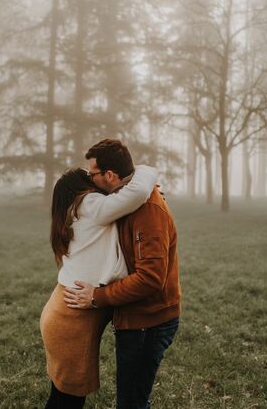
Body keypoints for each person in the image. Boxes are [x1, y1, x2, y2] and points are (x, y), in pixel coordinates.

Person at [64, 138, 181, 409]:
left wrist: (97, 297)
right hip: (135, 317)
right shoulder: (125, 200)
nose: (89, 180)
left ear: (110, 175)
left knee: (131, 403)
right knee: (131, 399)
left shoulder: (148, 211)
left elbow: (150, 278)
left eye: (92, 174)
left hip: (148, 321)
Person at [40, 162, 157, 409]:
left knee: (60, 397)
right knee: (68, 402)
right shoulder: (89, 205)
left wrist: (150, 195)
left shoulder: (77, 211)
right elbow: (135, 193)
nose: (96, 181)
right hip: (72, 322)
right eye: (90, 178)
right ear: (82, 190)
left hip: (61, 312)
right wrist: (146, 171)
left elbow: (133, 200)